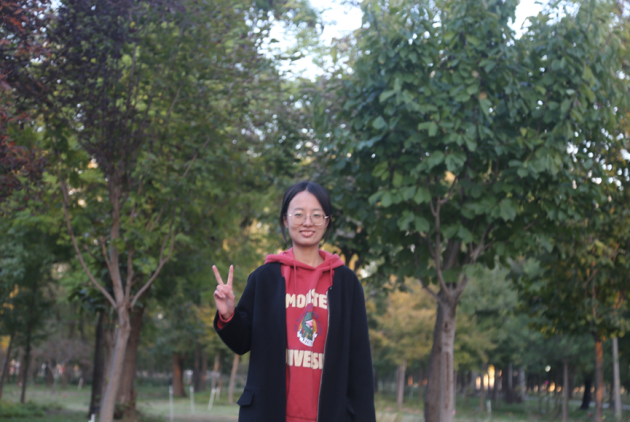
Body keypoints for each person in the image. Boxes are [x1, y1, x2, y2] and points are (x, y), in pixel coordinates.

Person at [212, 181, 376, 422]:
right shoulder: (265, 278)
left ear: (327, 221)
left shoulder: (346, 283)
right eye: (298, 214)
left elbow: (360, 364)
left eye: (316, 215)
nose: (307, 222)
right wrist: (228, 315)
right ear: (285, 220)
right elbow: (242, 342)